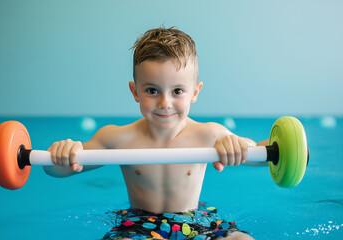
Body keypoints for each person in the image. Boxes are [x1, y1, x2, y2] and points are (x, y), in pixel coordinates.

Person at [44, 27, 266, 239]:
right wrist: (65, 152)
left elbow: (262, 155)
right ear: (135, 92)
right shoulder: (118, 138)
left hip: (196, 221)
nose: (165, 103)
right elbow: (54, 170)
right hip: (138, 225)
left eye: (177, 91)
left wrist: (238, 147)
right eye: (152, 90)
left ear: (195, 92)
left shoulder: (209, 135)